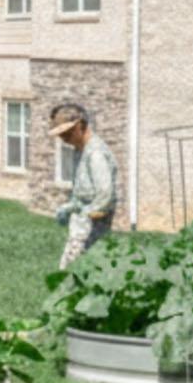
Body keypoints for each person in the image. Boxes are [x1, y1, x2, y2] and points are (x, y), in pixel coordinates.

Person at [48, 103, 119, 270]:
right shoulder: (80, 150)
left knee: (71, 276)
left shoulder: (95, 154)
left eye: (66, 133)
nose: (63, 138)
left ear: (80, 126)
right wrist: (70, 207)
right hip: (80, 229)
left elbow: (105, 194)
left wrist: (87, 213)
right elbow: (81, 191)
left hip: (91, 231)